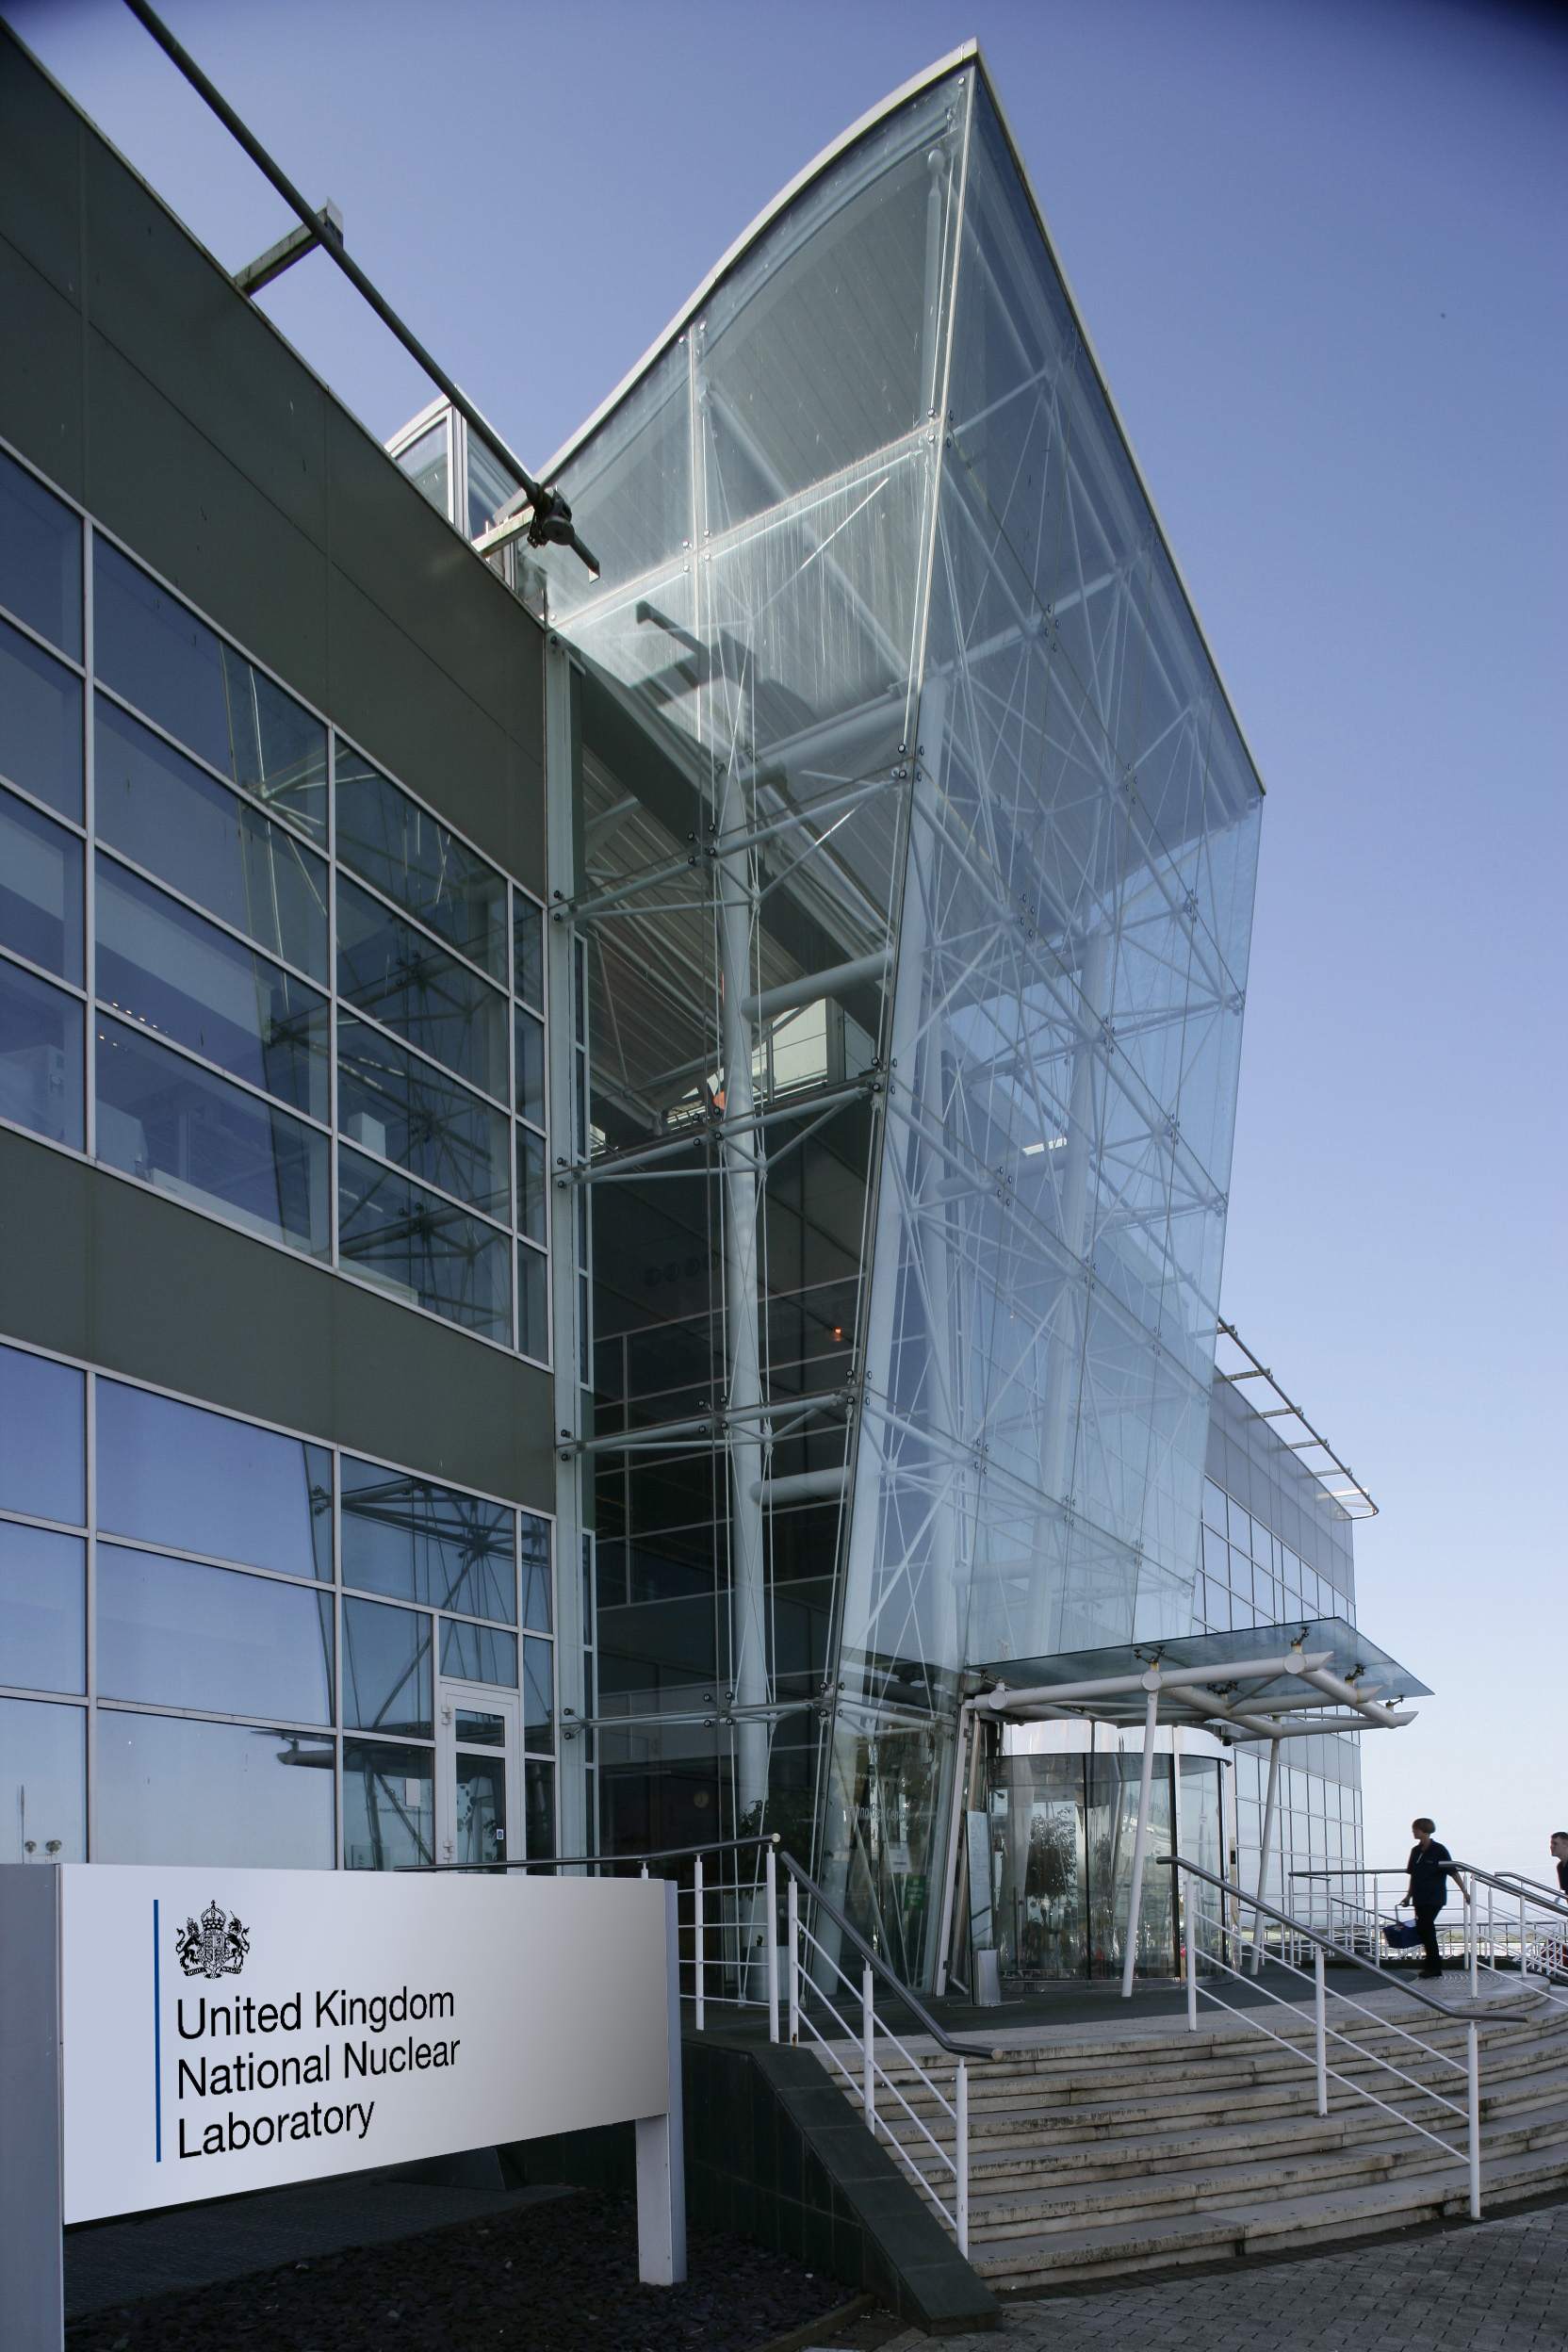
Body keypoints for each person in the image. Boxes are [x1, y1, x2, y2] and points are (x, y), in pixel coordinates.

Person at [1400, 1818, 1466, 1979]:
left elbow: (1452, 1871)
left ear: (1424, 1830)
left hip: (1434, 1896)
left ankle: (1434, 1966)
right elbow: (1413, 1876)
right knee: (1424, 1930)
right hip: (1419, 1896)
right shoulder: (1416, 1851)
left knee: (1425, 1927)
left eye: (1416, 1829)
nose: (1413, 1832)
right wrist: (1408, 1896)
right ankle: (1432, 1965)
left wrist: (1464, 1891)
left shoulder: (1439, 1850)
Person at [1551, 1832, 1568, 1898]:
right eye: (1551, 1843)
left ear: (1565, 1844)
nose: (1551, 1846)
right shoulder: (1560, 1866)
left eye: (1555, 1844)